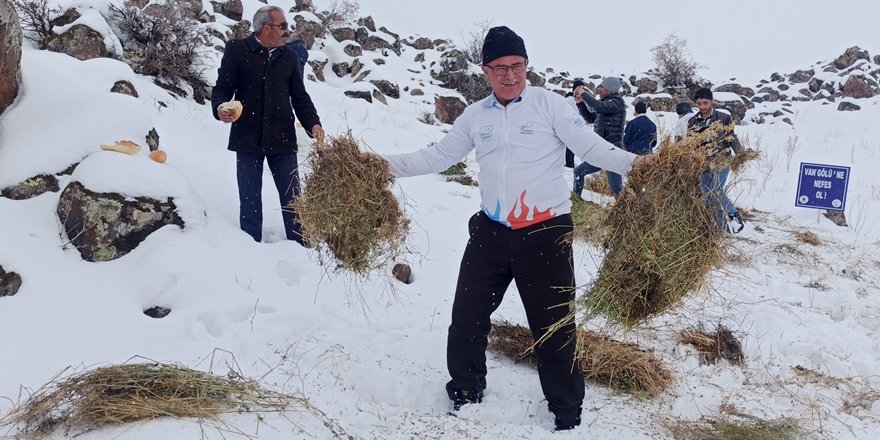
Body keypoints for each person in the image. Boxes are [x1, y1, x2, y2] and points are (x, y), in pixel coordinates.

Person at [381, 26, 647, 431]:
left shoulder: (550, 106)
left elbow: (590, 147)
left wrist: (637, 165)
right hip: (491, 231)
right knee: (467, 318)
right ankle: (466, 390)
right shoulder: (475, 116)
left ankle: (566, 411)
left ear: (527, 66)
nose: (510, 75)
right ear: (486, 71)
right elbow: (437, 156)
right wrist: (380, 166)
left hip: (545, 233)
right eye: (500, 68)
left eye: (517, 66)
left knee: (553, 327)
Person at [211, 5, 324, 245]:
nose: (287, 30)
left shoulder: (290, 57)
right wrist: (220, 108)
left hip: (282, 140)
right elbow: (222, 89)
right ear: (265, 28)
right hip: (247, 139)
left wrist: (313, 124)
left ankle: (302, 247)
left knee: (293, 200)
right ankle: (250, 249)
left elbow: (299, 96)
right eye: (282, 26)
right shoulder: (238, 51)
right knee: (250, 200)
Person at [687, 87, 744, 233]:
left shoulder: (723, 117)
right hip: (703, 164)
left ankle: (733, 215)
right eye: (699, 104)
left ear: (712, 101)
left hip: (721, 160)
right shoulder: (692, 122)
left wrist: (740, 152)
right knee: (708, 196)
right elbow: (691, 144)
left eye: (705, 103)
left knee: (716, 190)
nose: (702, 107)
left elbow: (731, 137)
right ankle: (723, 226)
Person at [572, 76, 626, 197]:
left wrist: (584, 94)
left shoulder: (617, 103)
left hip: (612, 152)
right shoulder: (605, 105)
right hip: (601, 151)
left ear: (609, 88)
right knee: (579, 171)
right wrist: (580, 103)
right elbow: (590, 118)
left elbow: (598, 107)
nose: (598, 88)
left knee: (616, 186)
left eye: (601, 86)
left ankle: (625, 211)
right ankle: (576, 199)